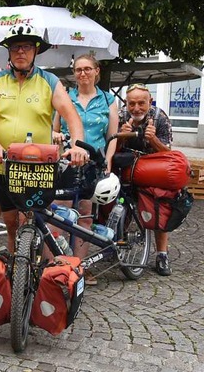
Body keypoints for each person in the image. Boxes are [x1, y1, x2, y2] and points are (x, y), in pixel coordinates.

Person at [0, 23, 88, 253]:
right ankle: (14, 272)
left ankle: (38, 264)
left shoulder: (49, 81)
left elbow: (72, 116)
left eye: (26, 47)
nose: (20, 52)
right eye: (15, 47)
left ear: (35, 50)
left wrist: (77, 145)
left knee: (34, 220)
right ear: (8, 51)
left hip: (39, 166)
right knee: (11, 223)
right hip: (4, 165)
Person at [52, 54, 118, 284]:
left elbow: (112, 137)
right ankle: (59, 266)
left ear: (97, 71)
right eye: (78, 70)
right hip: (67, 164)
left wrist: (108, 161)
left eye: (87, 69)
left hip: (93, 165)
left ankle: (79, 267)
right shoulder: (65, 98)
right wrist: (57, 138)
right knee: (59, 216)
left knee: (85, 217)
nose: (83, 73)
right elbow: (54, 131)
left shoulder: (108, 100)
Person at [118, 83, 174, 276]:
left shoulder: (160, 117)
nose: (136, 108)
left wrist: (154, 140)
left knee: (159, 208)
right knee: (119, 202)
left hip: (154, 169)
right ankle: (118, 244)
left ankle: (161, 255)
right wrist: (121, 138)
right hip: (127, 169)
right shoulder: (121, 116)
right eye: (131, 103)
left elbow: (169, 153)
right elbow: (112, 147)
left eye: (141, 103)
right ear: (126, 103)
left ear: (150, 101)